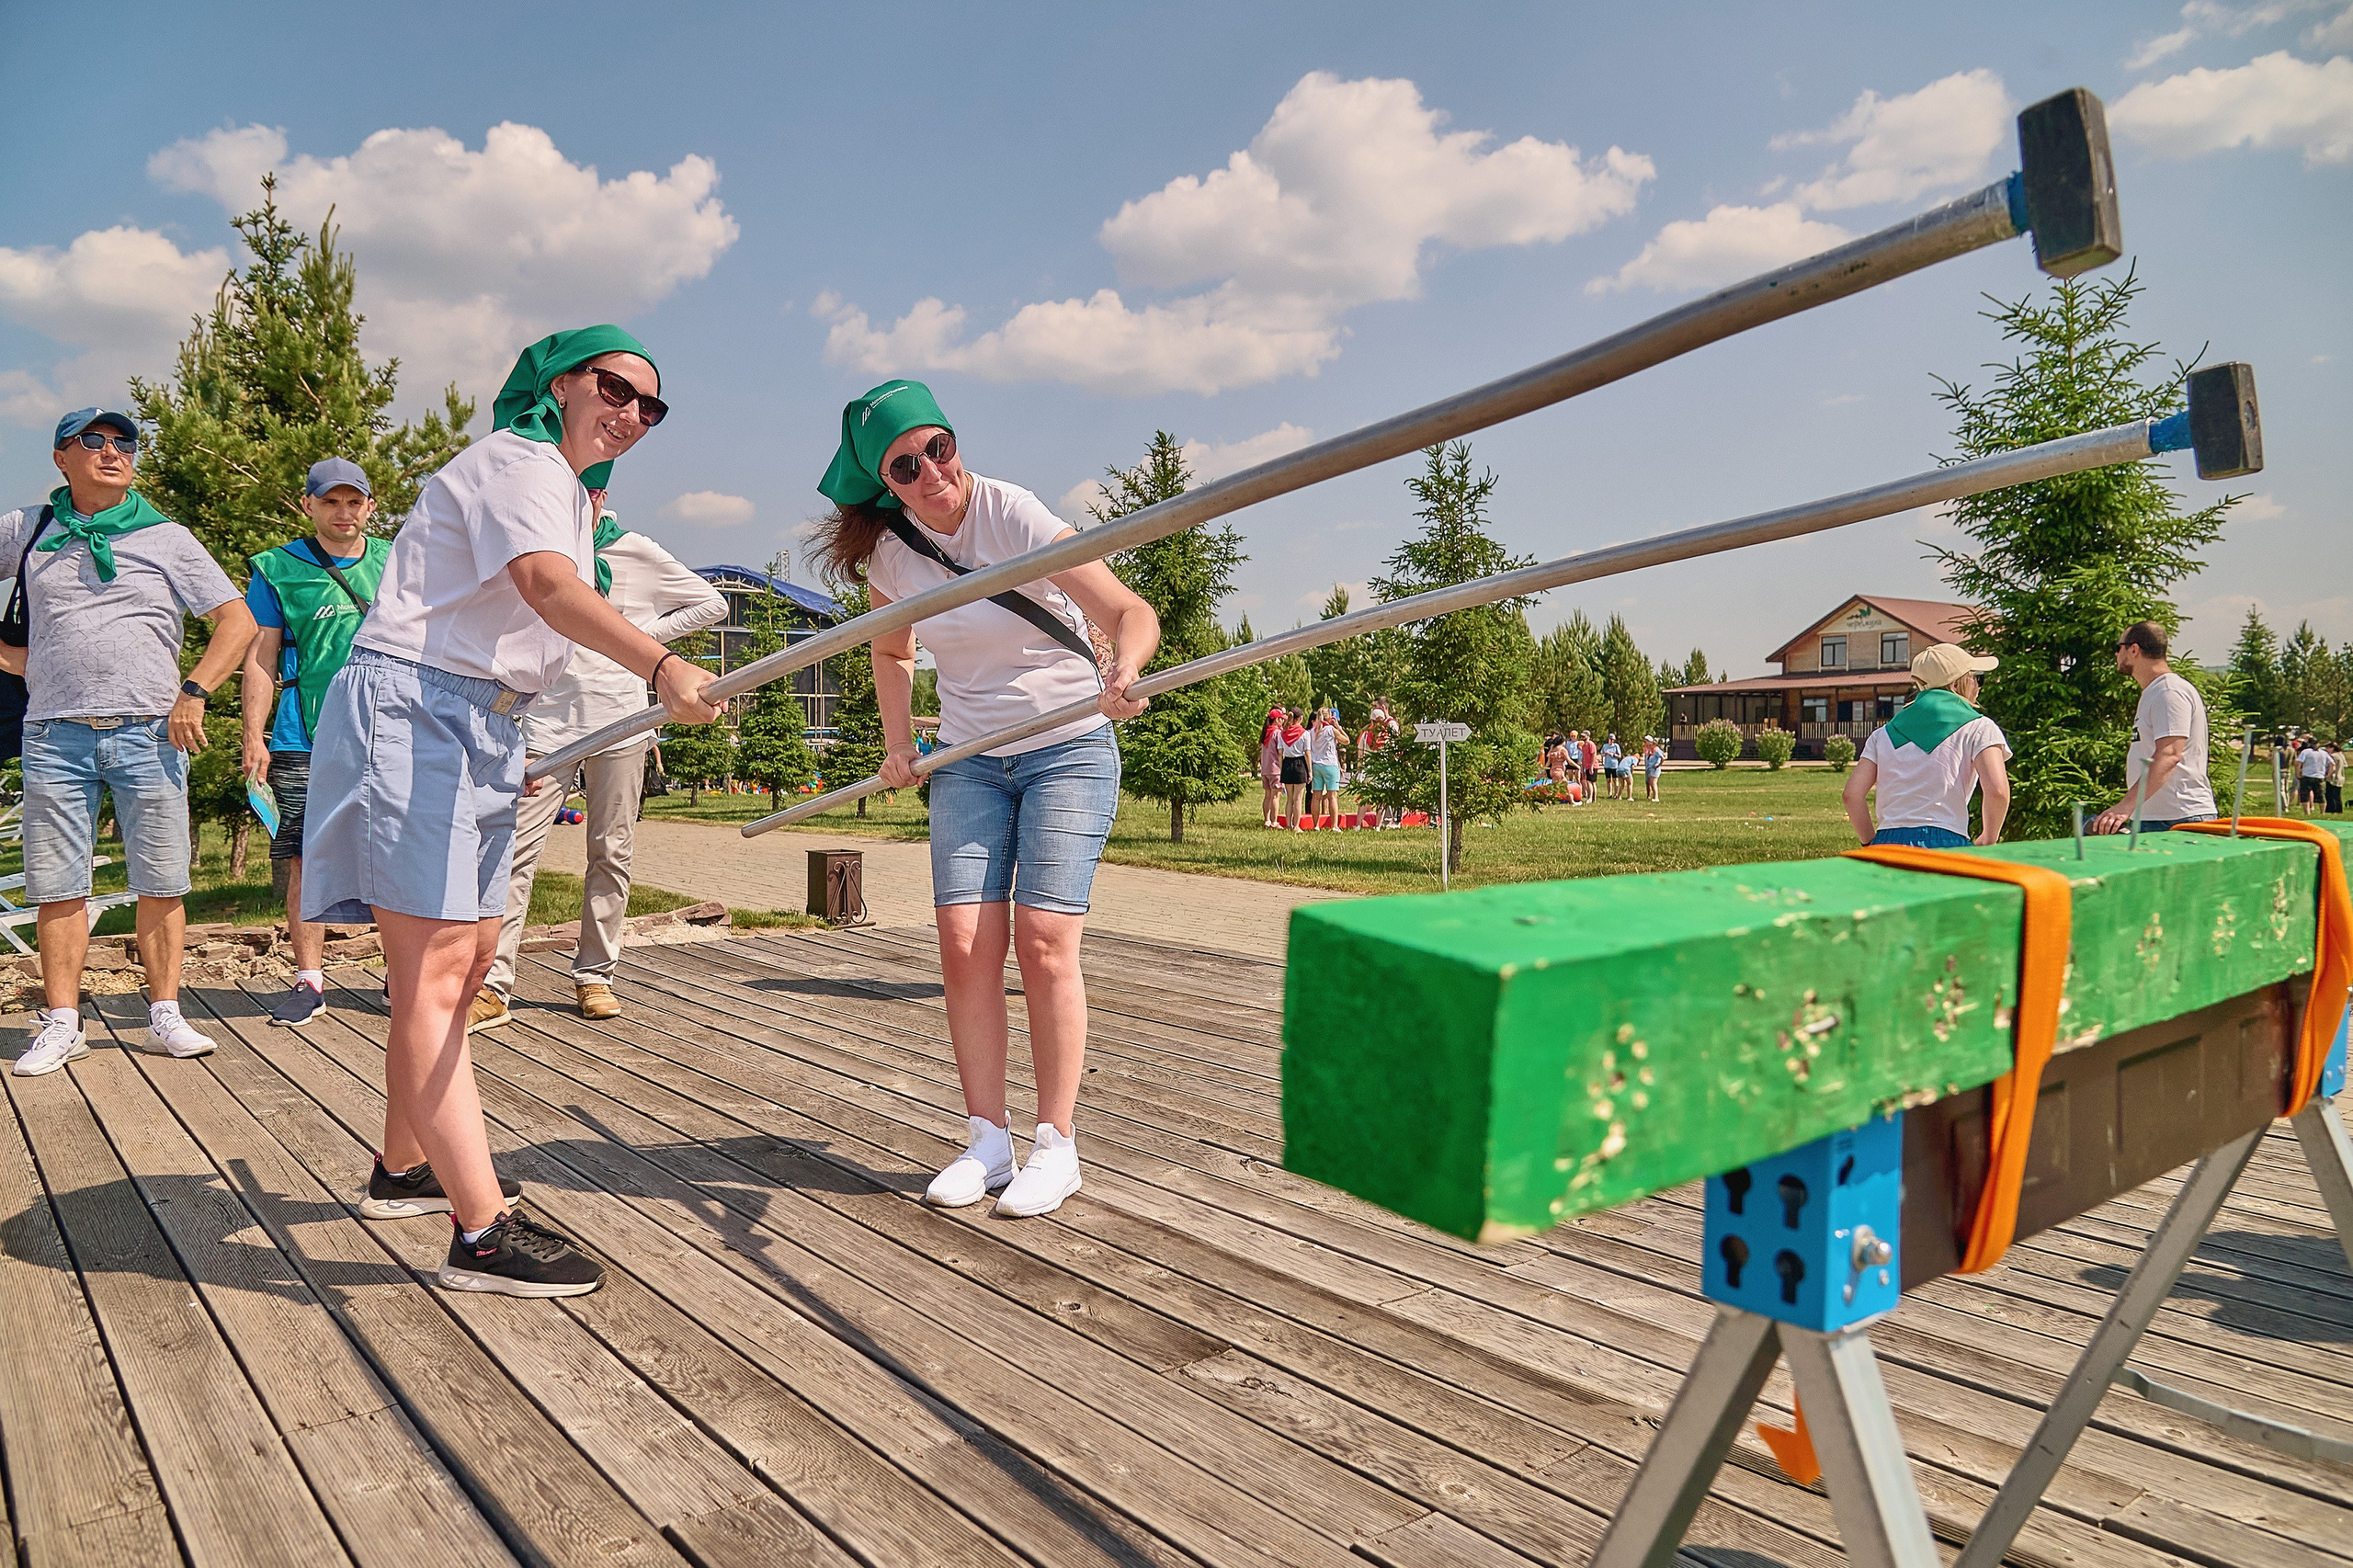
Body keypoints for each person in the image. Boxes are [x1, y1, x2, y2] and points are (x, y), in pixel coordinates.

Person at [302, 327, 722, 1297]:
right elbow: (545, 588)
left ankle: (404, 1165)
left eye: (651, 407)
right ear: (561, 384)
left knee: (469, 952)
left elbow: (524, 619)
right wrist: (661, 665)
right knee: (440, 968)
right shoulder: (521, 460)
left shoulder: (566, 490)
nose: (633, 414)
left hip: (482, 720)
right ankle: (480, 1233)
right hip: (420, 705)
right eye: (615, 389)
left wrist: (512, 739)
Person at [810, 379, 1157, 1220]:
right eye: (905, 465)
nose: (932, 471)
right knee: (965, 944)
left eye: (940, 446)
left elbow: (1128, 610)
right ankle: (986, 1141)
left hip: (1067, 744)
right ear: (883, 482)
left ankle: (1056, 1145)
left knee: (1043, 940)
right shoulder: (890, 558)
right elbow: (891, 652)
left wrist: (1125, 668)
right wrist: (900, 744)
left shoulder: (1014, 514)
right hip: (969, 759)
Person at [4, 408, 256, 1075]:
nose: (112, 451)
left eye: (125, 442)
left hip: (150, 732)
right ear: (61, 457)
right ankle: (63, 1023)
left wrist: (195, 691)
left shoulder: (167, 537)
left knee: (162, 880)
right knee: (58, 886)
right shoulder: (29, 528)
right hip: (54, 732)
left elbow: (236, 620)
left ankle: (164, 1014)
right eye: (94, 440)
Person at [473, 496, 726, 1031]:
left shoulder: (633, 549)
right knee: (512, 854)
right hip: (544, 724)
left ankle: (595, 975)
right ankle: (492, 982)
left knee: (612, 851)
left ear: (602, 498)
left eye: (587, 492)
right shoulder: (537, 552)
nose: (578, 500)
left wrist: (634, 639)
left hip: (622, 721)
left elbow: (712, 604)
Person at [241, 458, 392, 1028]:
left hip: (388, 733)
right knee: (306, 856)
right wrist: (253, 736)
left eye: (354, 501)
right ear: (309, 505)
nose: (343, 512)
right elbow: (261, 657)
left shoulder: (398, 561)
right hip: (304, 736)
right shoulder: (277, 568)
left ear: (370, 507)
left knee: (393, 854)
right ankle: (309, 980)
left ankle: (400, 976)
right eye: (330, 501)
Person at [1844, 643, 2010, 848]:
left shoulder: (1882, 734)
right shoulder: (1979, 728)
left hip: (1888, 843)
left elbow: (1852, 795)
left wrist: (1871, 842)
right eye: (1977, 678)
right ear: (1956, 684)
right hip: (1946, 840)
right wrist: (1989, 837)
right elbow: (1997, 791)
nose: (1978, 686)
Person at [2092, 621, 2215, 834]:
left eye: (2118, 647)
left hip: (2178, 818)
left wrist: (2124, 807)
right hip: (2160, 818)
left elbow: (2169, 755)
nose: (2116, 654)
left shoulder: (2168, 691)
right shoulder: (2156, 691)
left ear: (2134, 650)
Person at [1307, 707, 1345, 824]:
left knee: (1316, 797)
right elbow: (1346, 740)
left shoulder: (1311, 732)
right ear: (1329, 717)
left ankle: (1316, 825)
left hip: (1316, 765)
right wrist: (1338, 726)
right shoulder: (1331, 730)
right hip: (1330, 764)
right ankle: (1334, 825)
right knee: (1332, 797)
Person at [1279, 710, 1311, 828]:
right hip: (1300, 764)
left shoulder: (1282, 733)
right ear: (1300, 718)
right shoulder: (1305, 733)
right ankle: (1296, 826)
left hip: (1287, 763)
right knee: (1298, 799)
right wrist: (1310, 771)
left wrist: (1281, 768)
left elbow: (1280, 753)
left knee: (1290, 799)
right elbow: (1307, 753)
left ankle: (1288, 824)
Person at [1257, 707, 1285, 828]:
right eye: (1281, 719)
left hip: (1265, 769)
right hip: (1276, 769)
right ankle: (1274, 821)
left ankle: (1267, 820)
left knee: (1267, 795)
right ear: (1277, 720)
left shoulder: (1265, 733)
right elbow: (1280, 752)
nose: (1283, 721)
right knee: (1275, 796)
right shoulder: (1277, 733)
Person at [2295, 733, 2330, 818]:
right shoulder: (2324, 753)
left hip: (2307, 776)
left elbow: (2298, 763)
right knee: (2321, 795)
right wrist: (2328, 774)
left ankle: (2307, 813)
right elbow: (2332, 764)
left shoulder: (2305, 752)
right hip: (2319, 776)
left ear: (2309, 744)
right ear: (2318, 744)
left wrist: (2298, 773)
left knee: (2305, 795)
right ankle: (2322, 813)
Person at [1579, 732, 1599, 804]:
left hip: (1593, 766)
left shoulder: (1591, 744)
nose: (1582, 738)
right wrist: (1583, 766)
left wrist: (1591, 766)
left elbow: (1594, 755)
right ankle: (1592, 799)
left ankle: (1591, 798)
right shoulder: (1584, 746)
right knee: (1589, 782)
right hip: (1587, 766)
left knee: (1590, 782)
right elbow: (1584, 757)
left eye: (1584, 736)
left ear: (1588, 736)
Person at [1643, 736, 1665, 801]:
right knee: (1651, 783)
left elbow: (1663, 757)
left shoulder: (1656, 750)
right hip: (1650, 768)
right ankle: (1653, 797)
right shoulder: (1649, 749)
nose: (1650, 746)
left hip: (1654, 769)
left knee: (1653, 783)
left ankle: (1656, 797)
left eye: (1651, 744)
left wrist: (1658, 765)